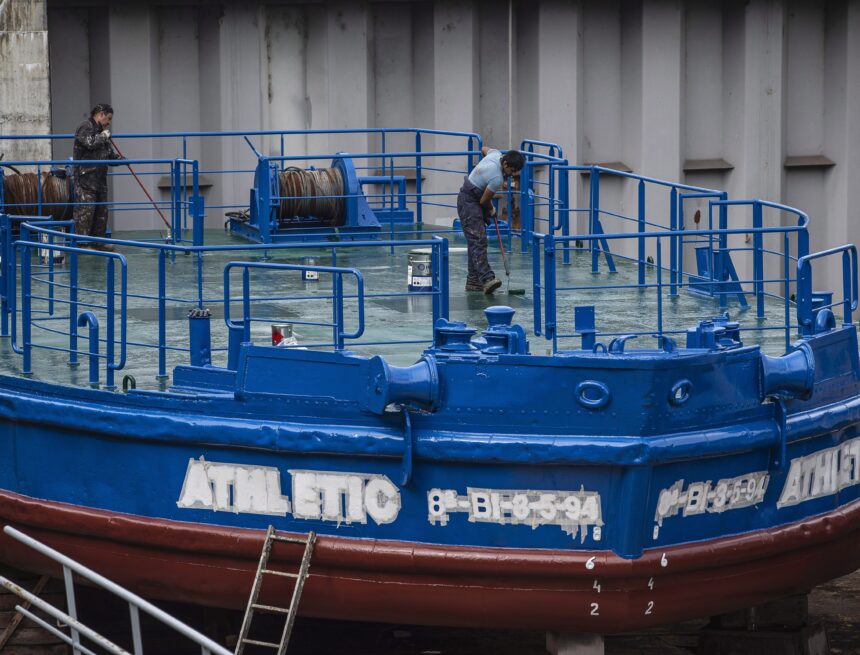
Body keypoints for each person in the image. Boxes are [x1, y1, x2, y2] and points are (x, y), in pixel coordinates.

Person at [457, 146, 525, 293]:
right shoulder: (496, 178)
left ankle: (473, 281)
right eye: (512, 171)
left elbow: (483, 149)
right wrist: (492, 210)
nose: (512, 175)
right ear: (505, 164)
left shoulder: (496, 154)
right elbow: (484, 201)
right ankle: (487, 279)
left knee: (474, 240)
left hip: (469, 195)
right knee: (478, 240)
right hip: (469, 201)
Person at [73, 103, 122, 251]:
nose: (109, 123)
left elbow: (108, 154)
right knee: (86, 211)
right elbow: (90, 143)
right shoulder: (85, 127)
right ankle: (83, 244)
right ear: (101, 114)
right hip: (85, 179)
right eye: (108, 118)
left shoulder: (102, 132)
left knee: (101, 212)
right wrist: (103, 136)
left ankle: (98, 242)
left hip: (100, 178)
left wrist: (119, 159)